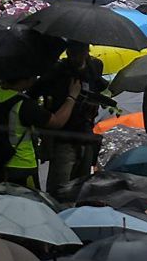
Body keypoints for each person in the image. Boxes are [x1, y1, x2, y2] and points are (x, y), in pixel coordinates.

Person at [32, 41, 107, 196]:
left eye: (80, 52)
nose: (76, 56)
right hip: (63, 136)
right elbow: (33, 94)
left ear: (87, 51)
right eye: (72, 52)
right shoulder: (57, 71)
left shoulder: (94, 68)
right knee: (60, 189)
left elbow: (99, 88)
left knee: (81, 189)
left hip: (85, 134)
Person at [0, 74, 79, 188]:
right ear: (24, 80)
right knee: (28, 203)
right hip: (21, 165)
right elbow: (57, 122)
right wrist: (72, 97)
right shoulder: (24, 104)